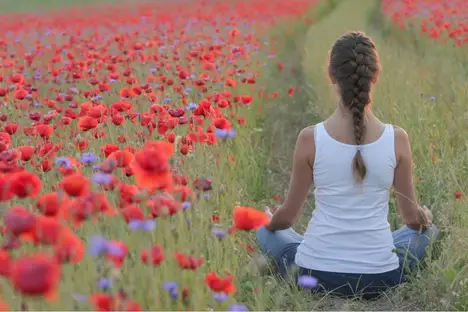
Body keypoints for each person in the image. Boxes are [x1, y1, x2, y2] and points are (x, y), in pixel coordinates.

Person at [255, 31, 438, 299]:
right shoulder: (397, 139)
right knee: (427, 233)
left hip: (314, 274)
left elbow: (288, 218)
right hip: (381, 278)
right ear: (374, 76)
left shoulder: (310, 138)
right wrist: (425, 217)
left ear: (331, 75)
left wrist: (270, 220)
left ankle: (303, 244)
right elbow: (411, 219)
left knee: (265, 229)